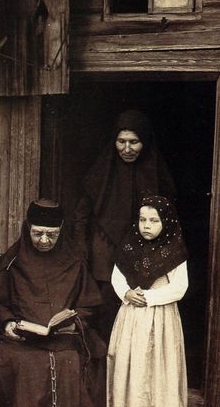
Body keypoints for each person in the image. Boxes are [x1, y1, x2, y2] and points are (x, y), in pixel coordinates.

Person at [0, 199, 109, 407]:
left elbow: (89, 307)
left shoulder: (75, 261)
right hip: (21, 340)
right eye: (37, 233)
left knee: (69, 361)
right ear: (27, 228)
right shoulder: (11, 262)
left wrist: (74, 324)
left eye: (51, 235)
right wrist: (7, 324)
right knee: (23, 363)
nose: (43, 240)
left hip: (66, 338)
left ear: (61, 231)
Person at [74, 109, 176, 345]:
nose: (127, 149)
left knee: (140, 316)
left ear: (145, 142)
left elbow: (169, 220)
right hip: (105, 256)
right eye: (121, 141)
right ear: (114, 141)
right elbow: (81, 217)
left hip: (144, 255)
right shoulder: (100, 173)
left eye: (134, 142)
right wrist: (82, 253)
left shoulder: (158, 175)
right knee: (106, 315)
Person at [107, 195, 188, 407]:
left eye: (154, 220)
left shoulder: (174, 251)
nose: (147, 225)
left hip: (159, 318)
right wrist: (127, 293)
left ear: (166, 222)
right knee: (126, 364)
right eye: (142, 219)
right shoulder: (129, 247)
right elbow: (117, 277)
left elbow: (180, 288)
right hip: (131, 315)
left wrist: (150, 297)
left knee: (153, 370)